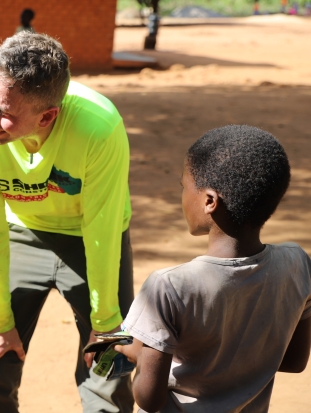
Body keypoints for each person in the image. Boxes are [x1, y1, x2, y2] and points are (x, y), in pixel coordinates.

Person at [0, 32, 134, 413]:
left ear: (47, 116)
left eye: (2, 110)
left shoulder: (99, 128)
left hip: (92, 240)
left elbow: (101, 227)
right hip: (20, 233)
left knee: (109, 373)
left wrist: (104, 322)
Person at [114, 125, 311, 413]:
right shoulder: (297, 263)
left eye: (184, 186)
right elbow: (294, 361)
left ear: (209, 201)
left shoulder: (169, 286)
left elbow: (149, 398)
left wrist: (135, 352)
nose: (182, 196)